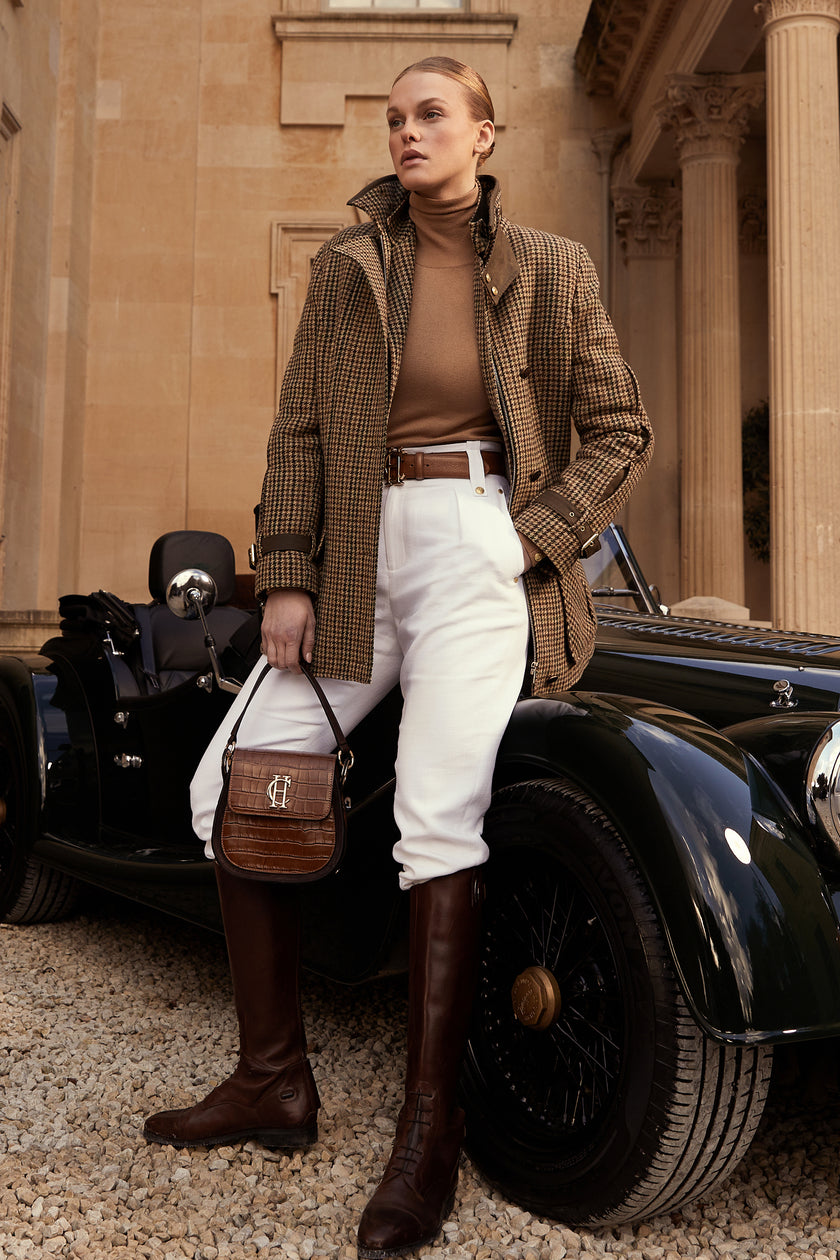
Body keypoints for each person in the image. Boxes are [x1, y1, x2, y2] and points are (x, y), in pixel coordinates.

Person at [143, 56, 654, 1258]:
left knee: (437, 818)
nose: (407, 131)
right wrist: (292, 571)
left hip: (485, 542)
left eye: (432, 113)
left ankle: (431, 1129)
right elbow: (301, 430)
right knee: (232, 779)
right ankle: (274, 1079)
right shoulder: (346, 267)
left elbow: (620, 425)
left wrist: (528, 540)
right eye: (394, 118)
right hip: (362, 543)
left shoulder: (554, 272)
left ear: (485, 132)